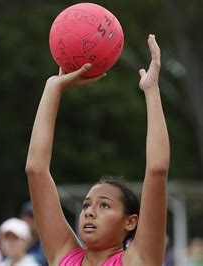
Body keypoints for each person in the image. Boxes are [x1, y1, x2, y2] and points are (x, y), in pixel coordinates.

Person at [25, 34, 169, 265]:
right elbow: (36, 170)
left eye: (104, 205)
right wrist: (52, 89)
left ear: (130, 222)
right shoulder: (65, 256)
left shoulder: (138, 260)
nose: (89, 212)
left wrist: (151, 90)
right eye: (86, 205)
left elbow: (157, 169)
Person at [19, 202, 48, 266]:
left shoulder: (46, 245)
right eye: (29, 217)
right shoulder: (13, 242)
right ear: (22, 218)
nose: (32, 221)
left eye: (36, 217)